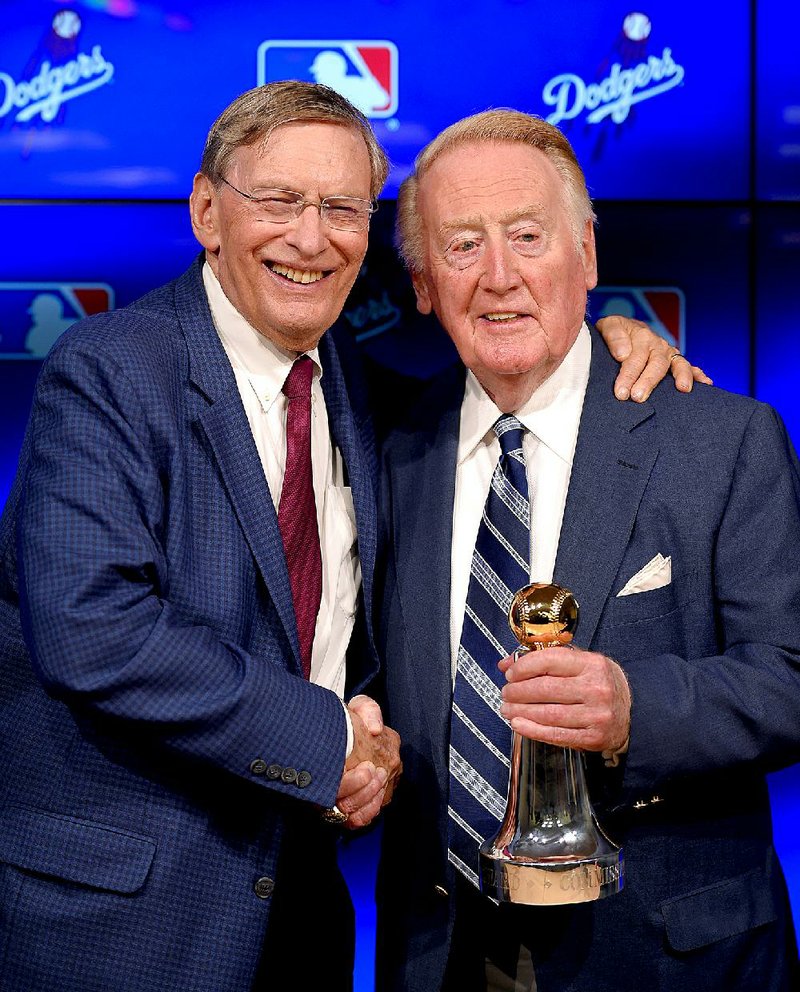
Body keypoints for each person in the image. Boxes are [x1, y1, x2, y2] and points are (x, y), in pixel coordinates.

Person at [0, 81, 703, 991]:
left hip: (300, 918)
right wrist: (327, 743)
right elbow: (93, 627)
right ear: (207, 211)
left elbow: (516, 372)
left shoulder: (363, 394)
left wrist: (604, 337)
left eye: (340, 208)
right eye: (279, 201)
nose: (310, 236)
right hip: (121, 926)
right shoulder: (108, 373)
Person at [376, 109, 800, 992]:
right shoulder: (388, 450)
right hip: (444, 952)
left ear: (589, 258)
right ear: (421, 283)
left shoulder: (721, 440)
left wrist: (634, 708)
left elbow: (791, 673)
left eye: (529, 237)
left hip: (668, 956)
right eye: (461, 246)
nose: (501, 276)